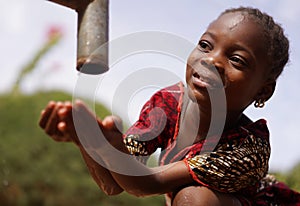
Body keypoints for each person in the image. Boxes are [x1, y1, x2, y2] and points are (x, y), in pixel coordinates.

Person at [39, 7, 300, 206]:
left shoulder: (248, 147)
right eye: (205, 45)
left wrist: (111, 147)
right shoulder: (167, 104)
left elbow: (145, 183)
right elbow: (114, 183)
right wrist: (88, 140)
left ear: (263, 90)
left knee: (194, 198)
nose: (211, 60)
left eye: (236, 60)